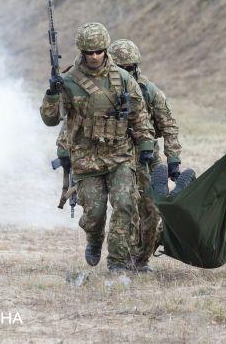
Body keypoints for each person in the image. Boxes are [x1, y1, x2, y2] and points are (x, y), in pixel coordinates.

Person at [40, 23, 155, 272]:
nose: (94, 57)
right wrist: (51, 93)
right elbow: (50, 120)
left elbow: (140, 115)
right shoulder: (69, 81)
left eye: (99, 51)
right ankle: (94, 239)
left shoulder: (123, 79)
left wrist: (146, 145)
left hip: (119, 155)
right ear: (82, 52)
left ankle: (118, 262)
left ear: (105, 50)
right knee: (94, 213)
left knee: (125, 204)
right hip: (86, 158)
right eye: (89, 52)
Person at [107, 39, 182, 272]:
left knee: (152, 209)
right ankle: (121, 258)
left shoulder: (149, 91)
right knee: (127, 207)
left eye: (129, 68)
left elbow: (168, 125)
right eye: (120, 68)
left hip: (148, 158)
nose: (125, 73)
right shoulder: (101, 90)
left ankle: (141, 260)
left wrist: (173, 161)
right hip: (118, 157)